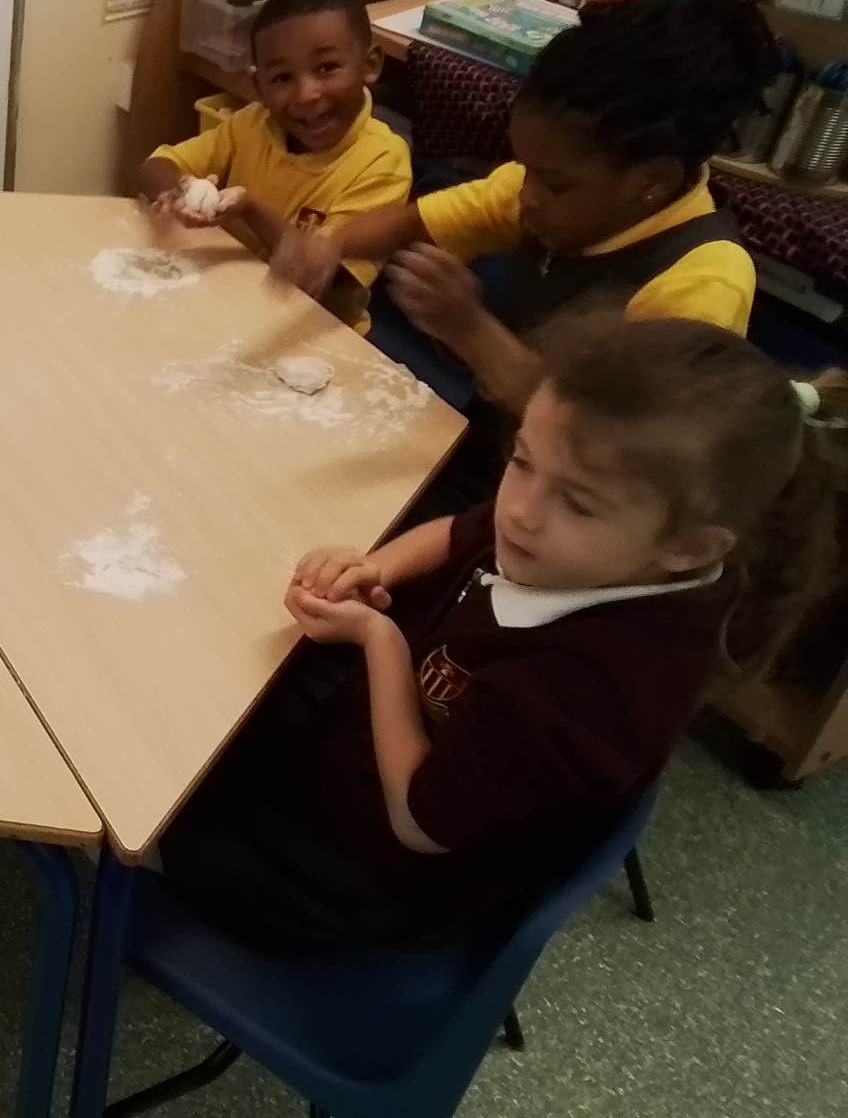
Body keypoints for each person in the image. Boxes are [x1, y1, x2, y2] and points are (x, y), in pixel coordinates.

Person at [159, 313, 846, 947]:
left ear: (690, 547)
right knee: (212, 703)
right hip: (360, 753)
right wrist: (377, 567)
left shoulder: (584, 692)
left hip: (372, 876)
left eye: (577, 502)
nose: (520, 510)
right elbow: (462, 530)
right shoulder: (593, 545)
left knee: (162, 813)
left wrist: (381, 641)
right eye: (522, 461)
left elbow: (419, 821)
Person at [270, 0, 779, 411]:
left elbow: (613, 447)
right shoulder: (548, 191)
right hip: (503, 439)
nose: (525, 193)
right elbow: (412, 223)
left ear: (653, 181)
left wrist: (471, 331)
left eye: (553, 183)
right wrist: (327, 246)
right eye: (526, 167)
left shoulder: (701, 285)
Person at [137, 0, 411, 331]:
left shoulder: (383, 161)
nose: (306, 94)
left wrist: (249, 208)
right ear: (259, 88)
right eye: (282, 78)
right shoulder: (252, 124)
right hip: (228, 300)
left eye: (326, 67)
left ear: (370, 65)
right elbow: (153, 167)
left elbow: (318, 279)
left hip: (312, 332)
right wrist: (180, 190)